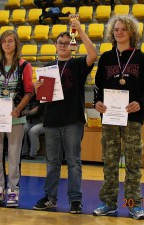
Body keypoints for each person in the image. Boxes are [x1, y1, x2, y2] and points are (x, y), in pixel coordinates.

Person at [92, 14, 144, 219]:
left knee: (133, 163)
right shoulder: (106, 59)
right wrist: (97, 103)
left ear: (132, 33)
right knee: (109, 162)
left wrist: (140, 103)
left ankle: (133, 204)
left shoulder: (141, 58)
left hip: (133, 119)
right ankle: (109, 203)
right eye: (116, 29)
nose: (119, 32)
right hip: (110, 118)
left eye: (123, 29)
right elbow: (97, 88)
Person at [33, 21, 97, 214]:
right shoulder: (48, 67)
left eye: (67, 43)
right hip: (52, 120)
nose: (63, 45)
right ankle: (50, 198)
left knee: (74, 162)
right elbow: (43, 98)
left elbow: (93, 54)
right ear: (55, 45)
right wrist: (37, 89)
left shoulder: (77, 64)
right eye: (60, 42)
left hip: (72, 120)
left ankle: (75, 200)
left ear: (72, 46)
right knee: (52, 162)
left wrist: (80, 29)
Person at [0, 30, 34, 208]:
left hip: (15, 119)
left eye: (10, 41)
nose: (7, 44)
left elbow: (29, 91)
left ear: (16, 43)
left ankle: (13, 191)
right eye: (4, 41)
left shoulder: (24, 65)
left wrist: (18, 109)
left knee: (14, 157)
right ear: (0, 44)